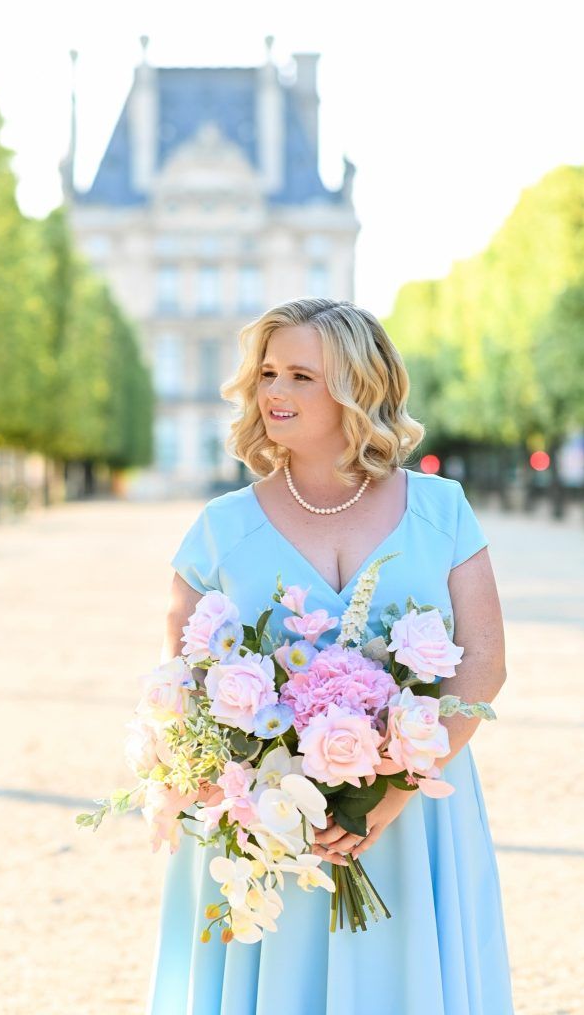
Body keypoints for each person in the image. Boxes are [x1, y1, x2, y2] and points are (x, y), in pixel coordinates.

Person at [146, 298, 514, 1015]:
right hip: (263, 826)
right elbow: (181, 680)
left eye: (301, 377)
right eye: (268, 374)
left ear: (356, 387)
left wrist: (393, 789)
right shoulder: (219, 526)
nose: (275, 393)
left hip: (412, 817)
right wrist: (235, 783)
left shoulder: (443, 509)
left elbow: (484, 665)